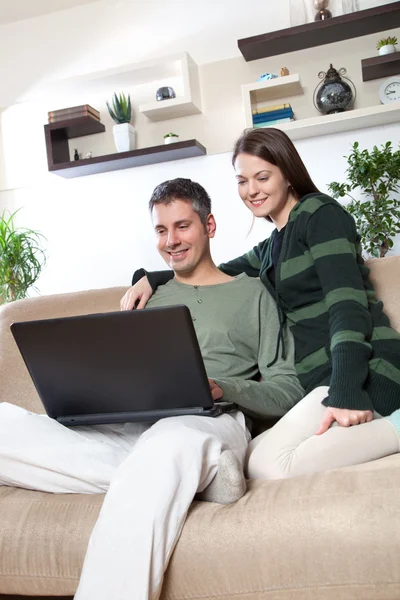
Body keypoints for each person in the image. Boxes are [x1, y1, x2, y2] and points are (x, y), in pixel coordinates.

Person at [0, 178, 303, 600]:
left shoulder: (253, 295)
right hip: (133, 426)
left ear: (209, 226)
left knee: (167, 445)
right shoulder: (147, 297)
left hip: (206, 420)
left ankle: (189, 466)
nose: (171, 241)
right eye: (161, 230)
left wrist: (220, 388)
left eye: (182, 226)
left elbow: (287, 387)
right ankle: (200, 476)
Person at [120, 128, 400, 479]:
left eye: (262, 177)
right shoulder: (272, 248)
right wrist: (154, 277)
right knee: (248, 459)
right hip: (321, 380)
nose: (251, 190)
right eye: (242, 180)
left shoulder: (319, 215)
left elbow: (348, 307)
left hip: (367, 372)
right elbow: (213, 271)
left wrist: (347, 391)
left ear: (287, 173)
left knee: (268, 467)